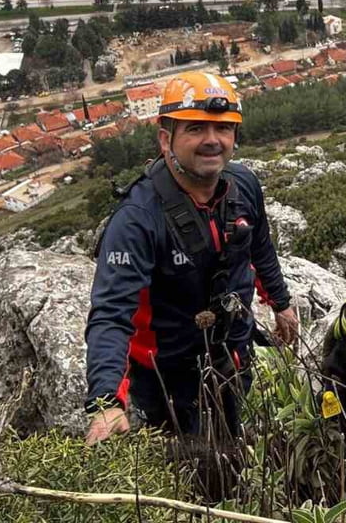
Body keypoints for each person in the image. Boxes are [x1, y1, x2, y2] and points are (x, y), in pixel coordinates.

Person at [84, 70, 298, 445]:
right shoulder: (139, 220)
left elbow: (259, 246)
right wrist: (106, 400)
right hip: (168, 378)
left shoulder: (242, 185)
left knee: (233, 448)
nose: (212, 141)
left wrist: (280, 302)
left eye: (223, 129)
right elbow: (112, 313)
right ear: (166, 139)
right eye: (196, 129)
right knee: (192, 468)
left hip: (233, 354)